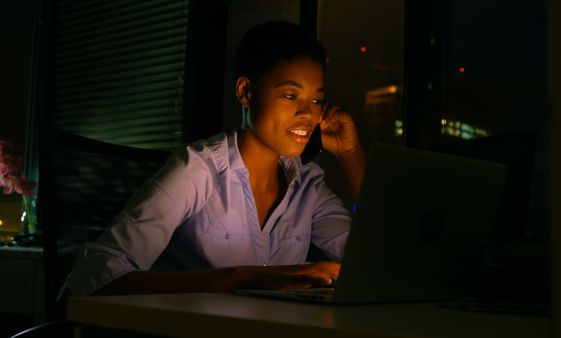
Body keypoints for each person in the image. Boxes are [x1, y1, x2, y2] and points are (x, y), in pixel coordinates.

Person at [66, 21, 365, 296]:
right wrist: (239, 278)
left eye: (316, 100)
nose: (308, 113)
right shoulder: (197, 170)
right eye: (290, 96)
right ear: (246, 92)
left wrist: (350, 154)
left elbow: (377, 261)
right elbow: (91, 278)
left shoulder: (306, 185)